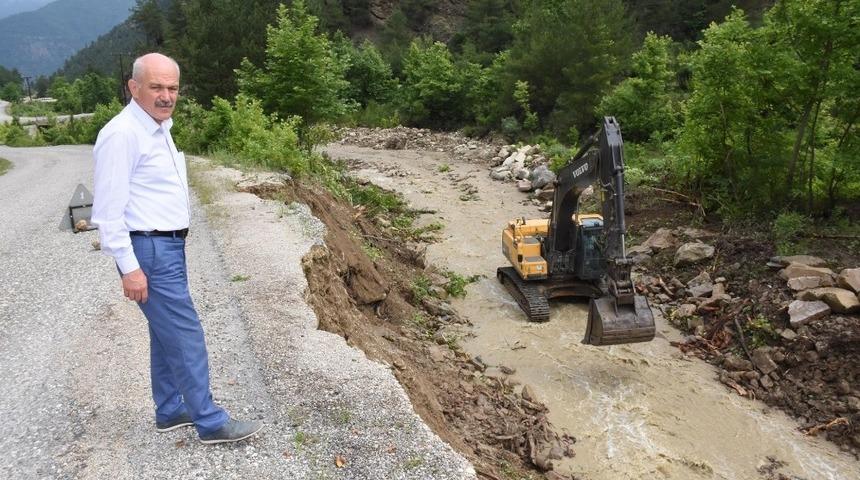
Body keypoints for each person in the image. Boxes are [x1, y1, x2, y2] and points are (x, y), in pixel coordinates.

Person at [91, 52, 263, 444]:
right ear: (133, 88)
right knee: (186, 335)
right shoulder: (122, 134)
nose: (166, 96)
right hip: (149, 250)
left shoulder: (157, 127)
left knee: (164, 332)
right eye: (156, 87)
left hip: (167, 247)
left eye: (172, 88)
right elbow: (108, 213)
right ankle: (211, 421)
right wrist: (129, 267)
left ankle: (170, 410)